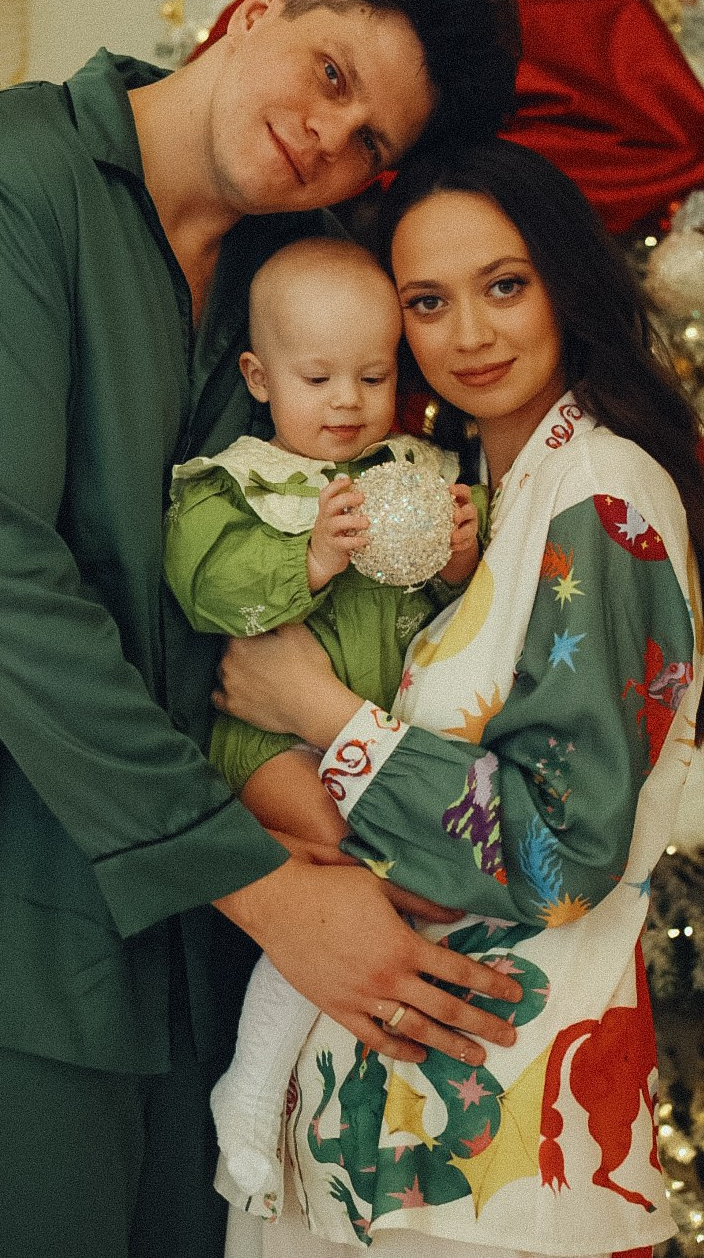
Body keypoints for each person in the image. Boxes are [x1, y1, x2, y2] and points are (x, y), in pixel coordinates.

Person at [0, 0, 525, 1258]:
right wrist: (272, 889)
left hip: (199, 957)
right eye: (332, 73)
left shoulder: (287, 282)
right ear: (258, 4)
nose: (330, 135)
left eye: (371, 142)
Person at [214, 140, 704, 1258]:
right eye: (428, 301)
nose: (468, 333)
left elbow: (561, 847)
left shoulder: (602, 491)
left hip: (490, 1153)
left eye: (504, 285)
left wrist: (320, 712)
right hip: (381, 1131)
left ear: (565, 283)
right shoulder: (476, 500)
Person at [163, 236, 485, 1203]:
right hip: (269, 740)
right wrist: (309, 561)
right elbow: (205, 588)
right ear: (259, 377)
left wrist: (458, 556)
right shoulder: (236, 482)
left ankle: (286, 1080)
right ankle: (253, 1086)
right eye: (318, 378)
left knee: (375, 885)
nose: (347, 401)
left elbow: (458, 605)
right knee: (355, 876)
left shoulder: (412, 470)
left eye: (372, 376)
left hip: (377, 741)